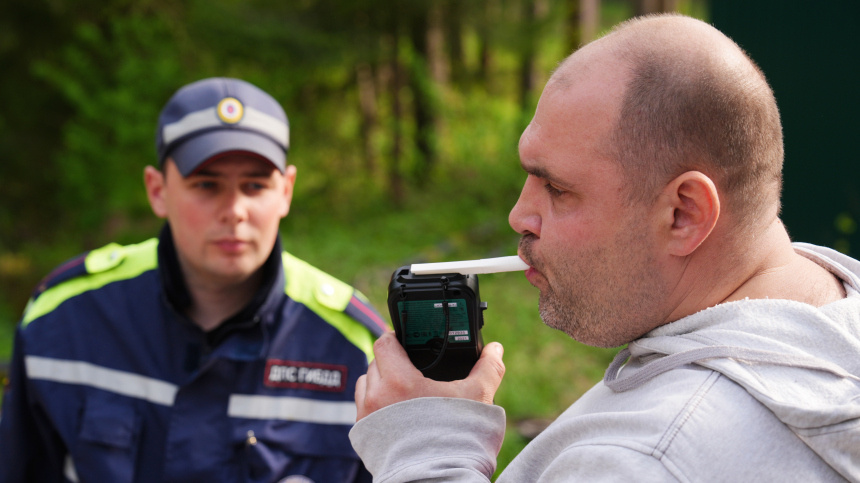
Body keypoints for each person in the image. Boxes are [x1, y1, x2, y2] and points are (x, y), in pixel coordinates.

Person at [349, 13, 860, 482]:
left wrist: (424, 454)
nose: (518, 217)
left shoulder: (644, 460)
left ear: (684, 214)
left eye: (557, 188)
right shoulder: (834, 305)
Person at [0, 77, 388, 482]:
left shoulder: (352, 348)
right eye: (207, 185)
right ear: (157, 190)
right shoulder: (64, 321)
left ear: (286, 191)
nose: (235, 210)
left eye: (255, 185)